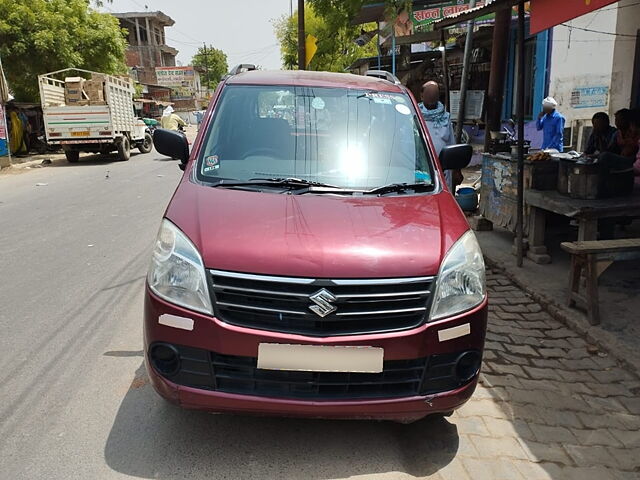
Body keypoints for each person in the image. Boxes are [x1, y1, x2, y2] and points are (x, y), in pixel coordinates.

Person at [418, 81, 459, 189]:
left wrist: (456, 170)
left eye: (434, 94)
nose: (432, 97)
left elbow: (451, 143)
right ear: (421, 96)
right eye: (429, 94)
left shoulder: (445, 117)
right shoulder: (415, 115)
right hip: (422, 171)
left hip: (444, 171)